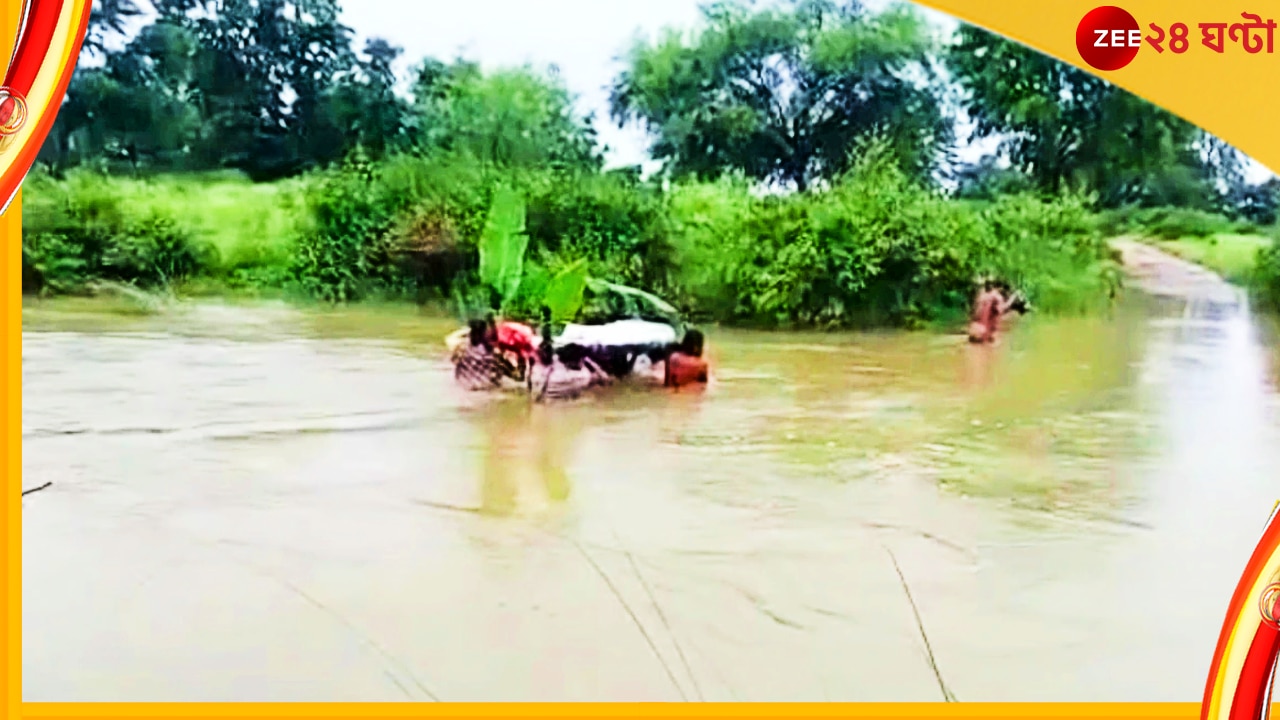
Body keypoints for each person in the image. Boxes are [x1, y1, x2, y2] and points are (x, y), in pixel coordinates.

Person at [455, 319, 518, 391]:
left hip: (465, 385)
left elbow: (456, 366)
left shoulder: (463, 347)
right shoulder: (489, 350)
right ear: (484, 331)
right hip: (485, 385)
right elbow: (505, 368)